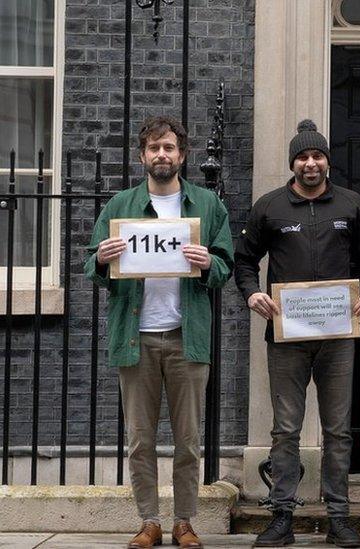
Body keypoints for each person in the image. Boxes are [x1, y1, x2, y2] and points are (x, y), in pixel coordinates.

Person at [84, 116, 234, 549]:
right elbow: (93, 266)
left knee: (188, 440)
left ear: (182, 155)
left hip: (187, 337)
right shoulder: (119, 206)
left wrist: (209, 263)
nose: (162, 155)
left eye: (169, 148)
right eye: (154, 148)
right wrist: (100, 259)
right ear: (142, 156)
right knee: (140, 440)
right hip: (137, 337)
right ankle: (148, 521)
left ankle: (184, 522)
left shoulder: (207, 205)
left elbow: (225, 267)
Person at [234, 120, 360, 548]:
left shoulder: (352, 205)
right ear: (293, 163)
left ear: (328, 163)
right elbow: (244, 261)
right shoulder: (269, 207)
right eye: (303, 156)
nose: (310, 163)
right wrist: (252, 295)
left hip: (338, 335)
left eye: (317, 156)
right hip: (287, 336)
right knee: (285, 429)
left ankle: (339, 516)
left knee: (337, 430)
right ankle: (281, 516)